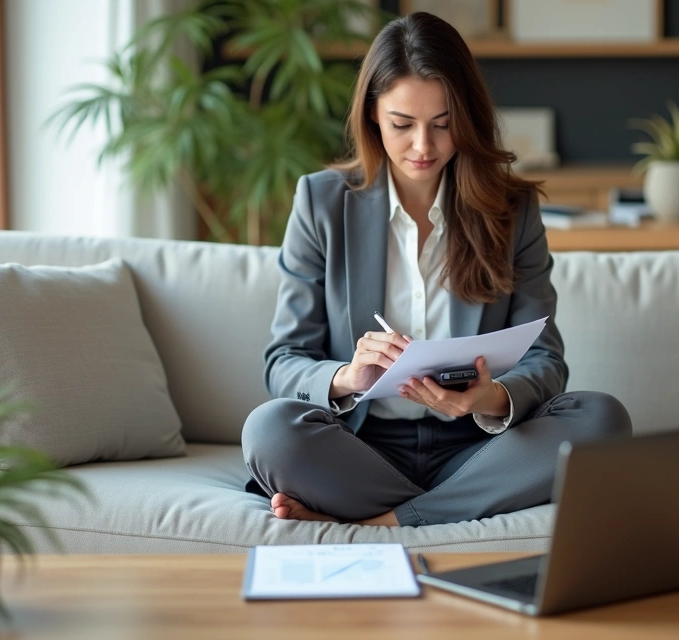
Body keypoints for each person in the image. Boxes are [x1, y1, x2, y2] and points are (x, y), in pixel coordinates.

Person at [241, 12, 631, 527]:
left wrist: (489, 397)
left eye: (443, 124)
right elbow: (284, 360)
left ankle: (387, 520)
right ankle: (452, 509)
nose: (423, 146)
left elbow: (546, 361)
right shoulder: (321, 202)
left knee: (602, 419)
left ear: (466, 118)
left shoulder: (512, 209)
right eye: (403, 125)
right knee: (270, 431)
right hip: (363, 445)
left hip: (480, 448)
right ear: (373, 116)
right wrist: (346, 377)